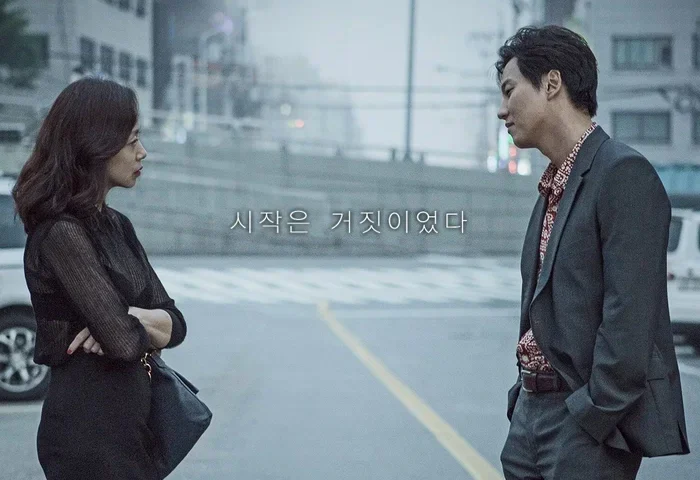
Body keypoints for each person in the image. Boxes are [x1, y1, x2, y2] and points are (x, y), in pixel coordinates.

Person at [495, 26, 689, 479]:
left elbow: (630, 317)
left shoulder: (623, 173)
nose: (502, 110)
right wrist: (522, 398)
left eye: (509, 90)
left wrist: (593, 413)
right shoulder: (552, 187)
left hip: (583, 423)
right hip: (530, 415)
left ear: (551, 83)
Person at [12, 77, 187, 480]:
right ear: (96, 146)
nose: (142, 152)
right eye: (132, 141)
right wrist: (129, 325)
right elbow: (123, 343)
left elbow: (176, 324)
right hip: (88, 434)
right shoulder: (61, 233)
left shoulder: (117, 226)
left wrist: (131, 317)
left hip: (133, 429)